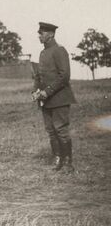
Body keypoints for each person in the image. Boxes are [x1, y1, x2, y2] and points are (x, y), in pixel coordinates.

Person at [32, 22, 77, 172]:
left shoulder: (59, 51)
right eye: (39, 33)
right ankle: (57, 158)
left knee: (61, 130)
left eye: (42, 33)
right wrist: (36, 90)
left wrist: (48, 91)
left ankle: (67, 162)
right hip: (46, 100)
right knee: (51, 130)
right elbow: (39, 76)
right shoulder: (42, 53)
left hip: (59, 98)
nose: (39, 36)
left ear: (51, 34)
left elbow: (64, 76)